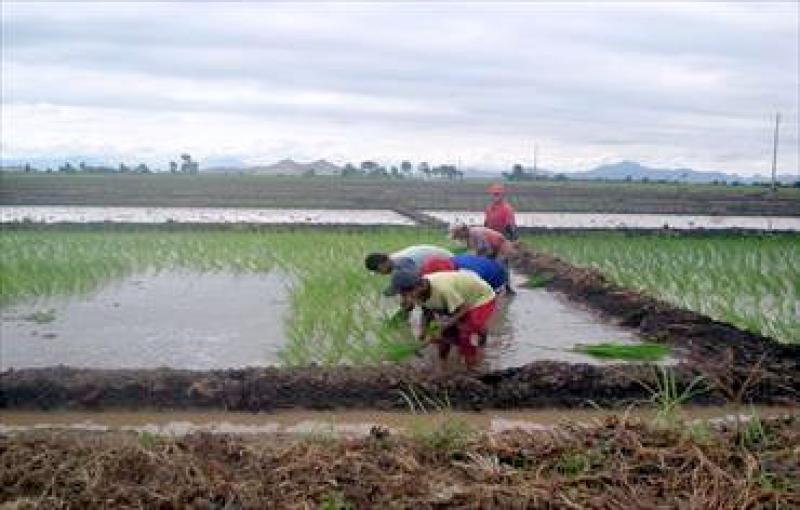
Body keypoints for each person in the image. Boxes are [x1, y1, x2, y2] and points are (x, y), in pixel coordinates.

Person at [384, 270, 496, 368]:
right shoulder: (417, 294)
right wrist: (423, 333)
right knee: (443, 336)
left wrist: (443, 327)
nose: (403, 299)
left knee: (466, 332)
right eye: (401, 295)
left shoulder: (443, 289)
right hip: (457, 300)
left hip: (480, 298)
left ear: (420, 286)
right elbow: (427, 313)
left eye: (404, 294)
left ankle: (472, 368)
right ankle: (443, 363)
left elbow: (463, 309)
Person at [450, 224, 516, 294]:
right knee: (488, 266)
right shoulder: (469, 235)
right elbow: (474, 250)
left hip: (501, 246)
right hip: (492, 248)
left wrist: (480, 260)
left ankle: (504, 287)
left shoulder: (475, 233)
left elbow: (487, 250)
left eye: (458, 235)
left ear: (463, 230)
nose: (459, 238)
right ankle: (493, 287)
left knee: (499, 267)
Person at [419, 253, 508, 293]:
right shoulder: (449, 261)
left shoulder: (467, 274)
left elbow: (473, 298)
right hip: (486, 266)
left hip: (497, 278)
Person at [364, 245, 453, 275]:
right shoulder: (395, 260)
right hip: (444, 262)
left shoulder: (402, 263)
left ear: (381, 265)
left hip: (449, 263)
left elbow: (419, 283)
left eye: (379, 271)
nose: (381, 274)